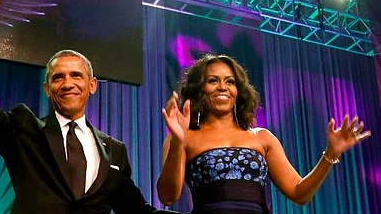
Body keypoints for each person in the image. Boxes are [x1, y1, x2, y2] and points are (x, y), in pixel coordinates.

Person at [0, 0, 174, 214]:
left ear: (92, 85)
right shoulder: (23, 129)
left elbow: (137, 210)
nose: (67, 84)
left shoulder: (115, 151)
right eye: (58, 78)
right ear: (46, 88)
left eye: (76, 75)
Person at [156, 54, 372, 213]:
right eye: (213, 81)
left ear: (238, 91)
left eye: (230, 81)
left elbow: (299, 193)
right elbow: (167, 196)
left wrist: (330, 153)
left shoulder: (262, 137)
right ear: (199, 89)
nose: (223, 87)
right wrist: (177, 140)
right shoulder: (183, 137)